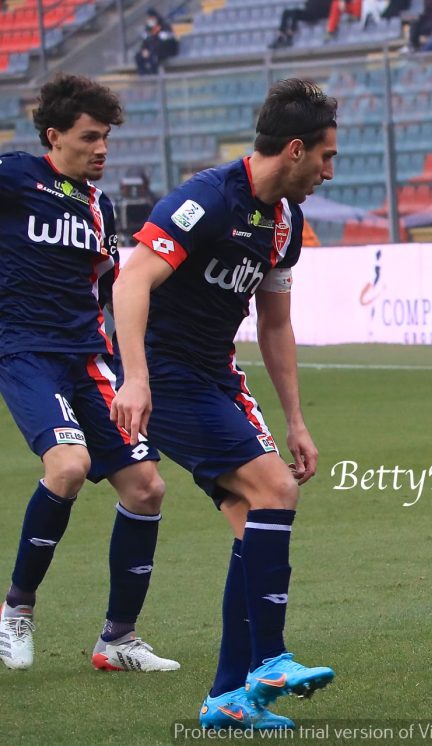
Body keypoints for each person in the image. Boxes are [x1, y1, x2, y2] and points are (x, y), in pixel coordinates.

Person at [110, 78, 336, 730]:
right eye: (325, 157)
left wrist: (295, 419)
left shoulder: (285, 223)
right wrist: (135, 377)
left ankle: (227, 699)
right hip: (166, 377)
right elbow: (132, 281)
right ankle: (269, 659)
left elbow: (273, 326)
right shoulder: (205, 199)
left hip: (215, 378)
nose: (327, 171)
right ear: (293, 149)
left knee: (252, 521)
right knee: (273, 492)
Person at [0, 74, 177, 672]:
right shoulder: (16, 176)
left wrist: (131, 371)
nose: (102, 149)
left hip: (87, 359)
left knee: (147, 487)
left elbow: (111, 291)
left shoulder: (99, 207)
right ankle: (17, 610)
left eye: (106, 138)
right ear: (54, 136)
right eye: (90, 137)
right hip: (25, 352)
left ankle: (117, 639)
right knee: (69, 465)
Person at [135, 8, 178, 76]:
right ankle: (143, 75)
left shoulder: (165, 27)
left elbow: (166, 43)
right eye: (149, 18)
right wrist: (144, 50)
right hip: (152, 51)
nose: (150, 20)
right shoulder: (148, 29)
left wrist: (150, 51)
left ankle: (154, 76)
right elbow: (145, 42)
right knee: (138, 56)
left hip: (165, 51)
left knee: (154, 57)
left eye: (152, 18)